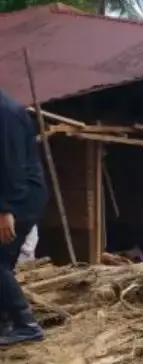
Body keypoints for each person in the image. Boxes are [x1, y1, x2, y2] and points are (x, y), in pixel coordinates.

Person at [0, 87, 47, 347]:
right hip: (13, 197)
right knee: (3, 262)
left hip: (21, 197)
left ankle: (26, 325)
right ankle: (6, 322)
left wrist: (6, 210)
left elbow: (11, 166)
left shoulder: (5, 111)